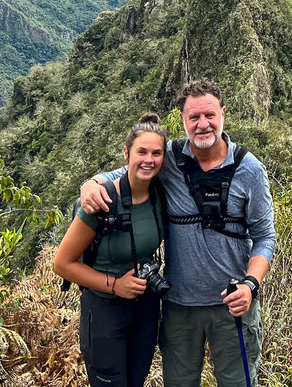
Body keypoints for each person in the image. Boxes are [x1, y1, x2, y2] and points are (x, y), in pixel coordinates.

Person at [80, 79, 276, 387]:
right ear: (183, 120)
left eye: (209, 115)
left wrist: (251, 284)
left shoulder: (248, 169)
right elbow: (128, 170)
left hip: (232, 305)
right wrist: (91, 183)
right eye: (194, 118)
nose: (203, 125)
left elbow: (265, 236)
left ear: (223, 114)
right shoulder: (169, 158)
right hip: (179, 306)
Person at [54, 113, 169, 387]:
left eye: (156, 153)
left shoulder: (161, 194)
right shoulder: (102, 201)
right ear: (127, 153)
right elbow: (62, 264)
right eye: (141, 151)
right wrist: (116, 285)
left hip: (146, 308)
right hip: (105, 310)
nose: (148, 160)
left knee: (135, 381)